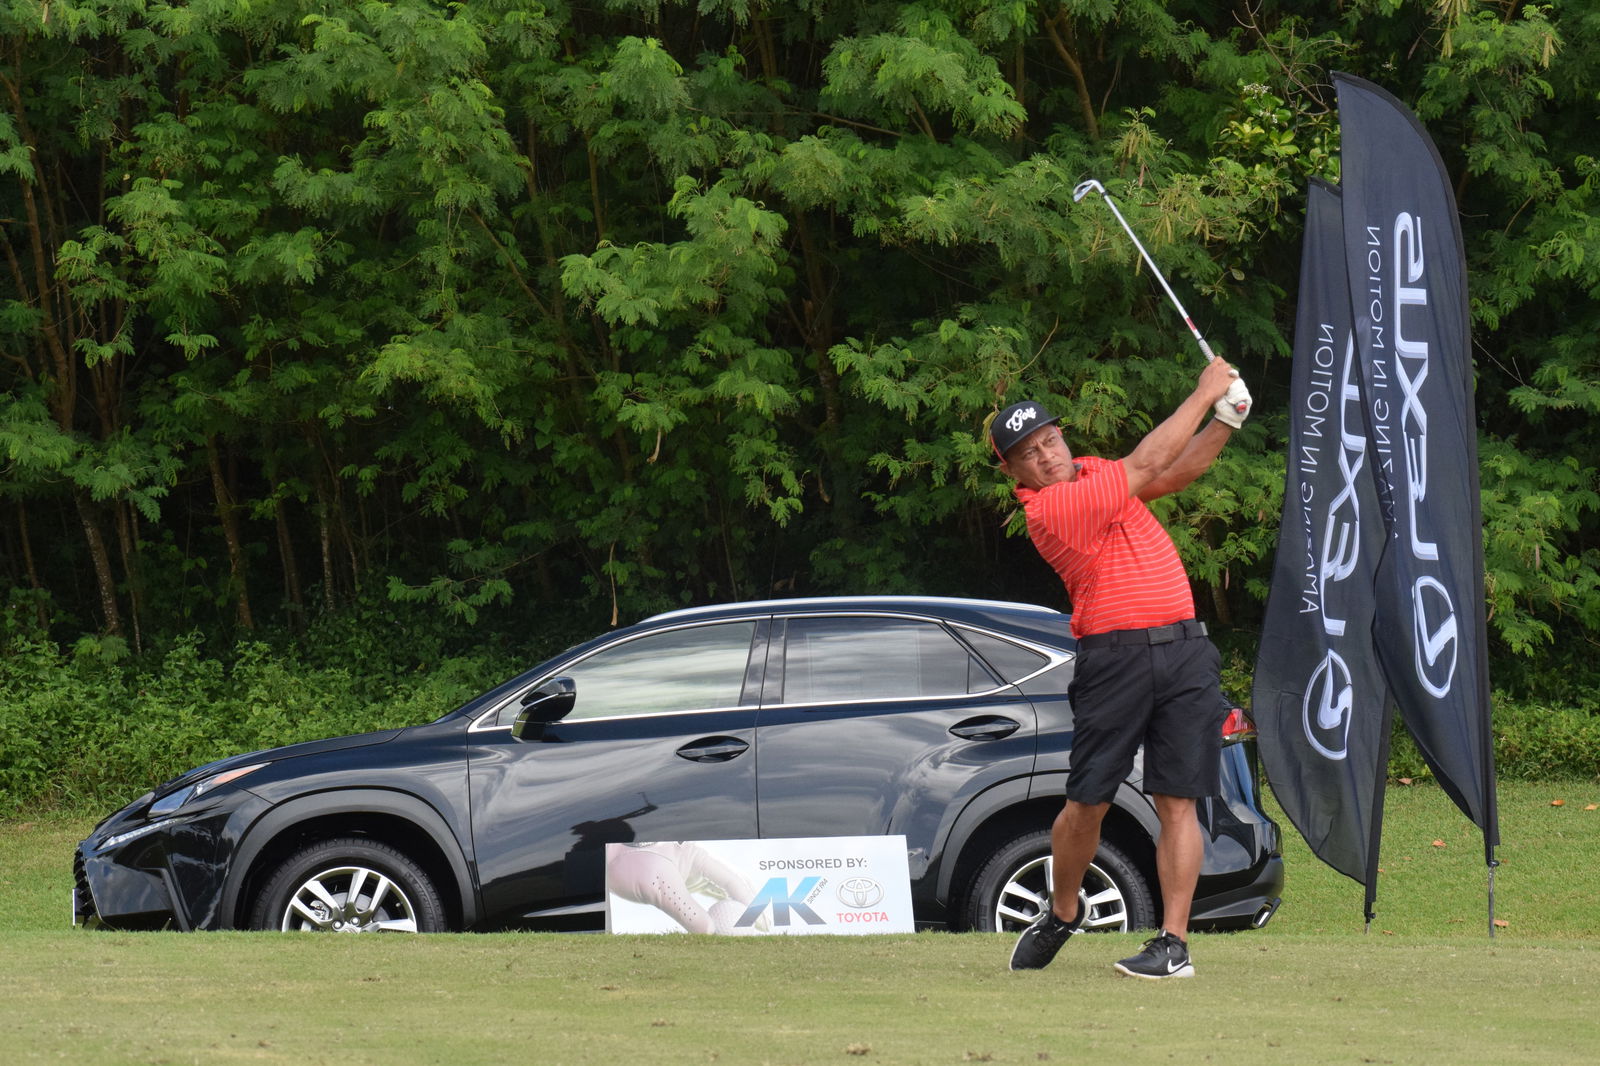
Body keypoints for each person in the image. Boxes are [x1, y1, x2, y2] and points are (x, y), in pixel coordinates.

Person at [991, 357, 1251, 979]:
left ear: (1062, 436)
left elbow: (1173, 471)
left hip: (1185, 651)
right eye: (1028, 453)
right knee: (1088, 804)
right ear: (1012, 471)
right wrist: (1202, 392)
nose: (1046, 456)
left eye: (1049, 440)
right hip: (1115, 659)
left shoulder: (1099, 473)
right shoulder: (1048, 512)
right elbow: (1146, 463)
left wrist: (1225, 421)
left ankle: (1173, 944)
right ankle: (1061, 912)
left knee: (1178, 802)